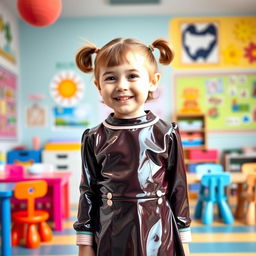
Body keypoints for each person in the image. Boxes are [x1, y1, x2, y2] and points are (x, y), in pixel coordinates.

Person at [73, 38, 192, 256]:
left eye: (132, 76)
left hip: (158, 231)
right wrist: (85, 243)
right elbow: (88, 192)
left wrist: (183, 240)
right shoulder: (93, 137)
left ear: (152, 82)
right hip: (111, 231)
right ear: (99, 86)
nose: (121, 85)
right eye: (110, 77)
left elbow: (179, 188)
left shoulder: (166, 133)